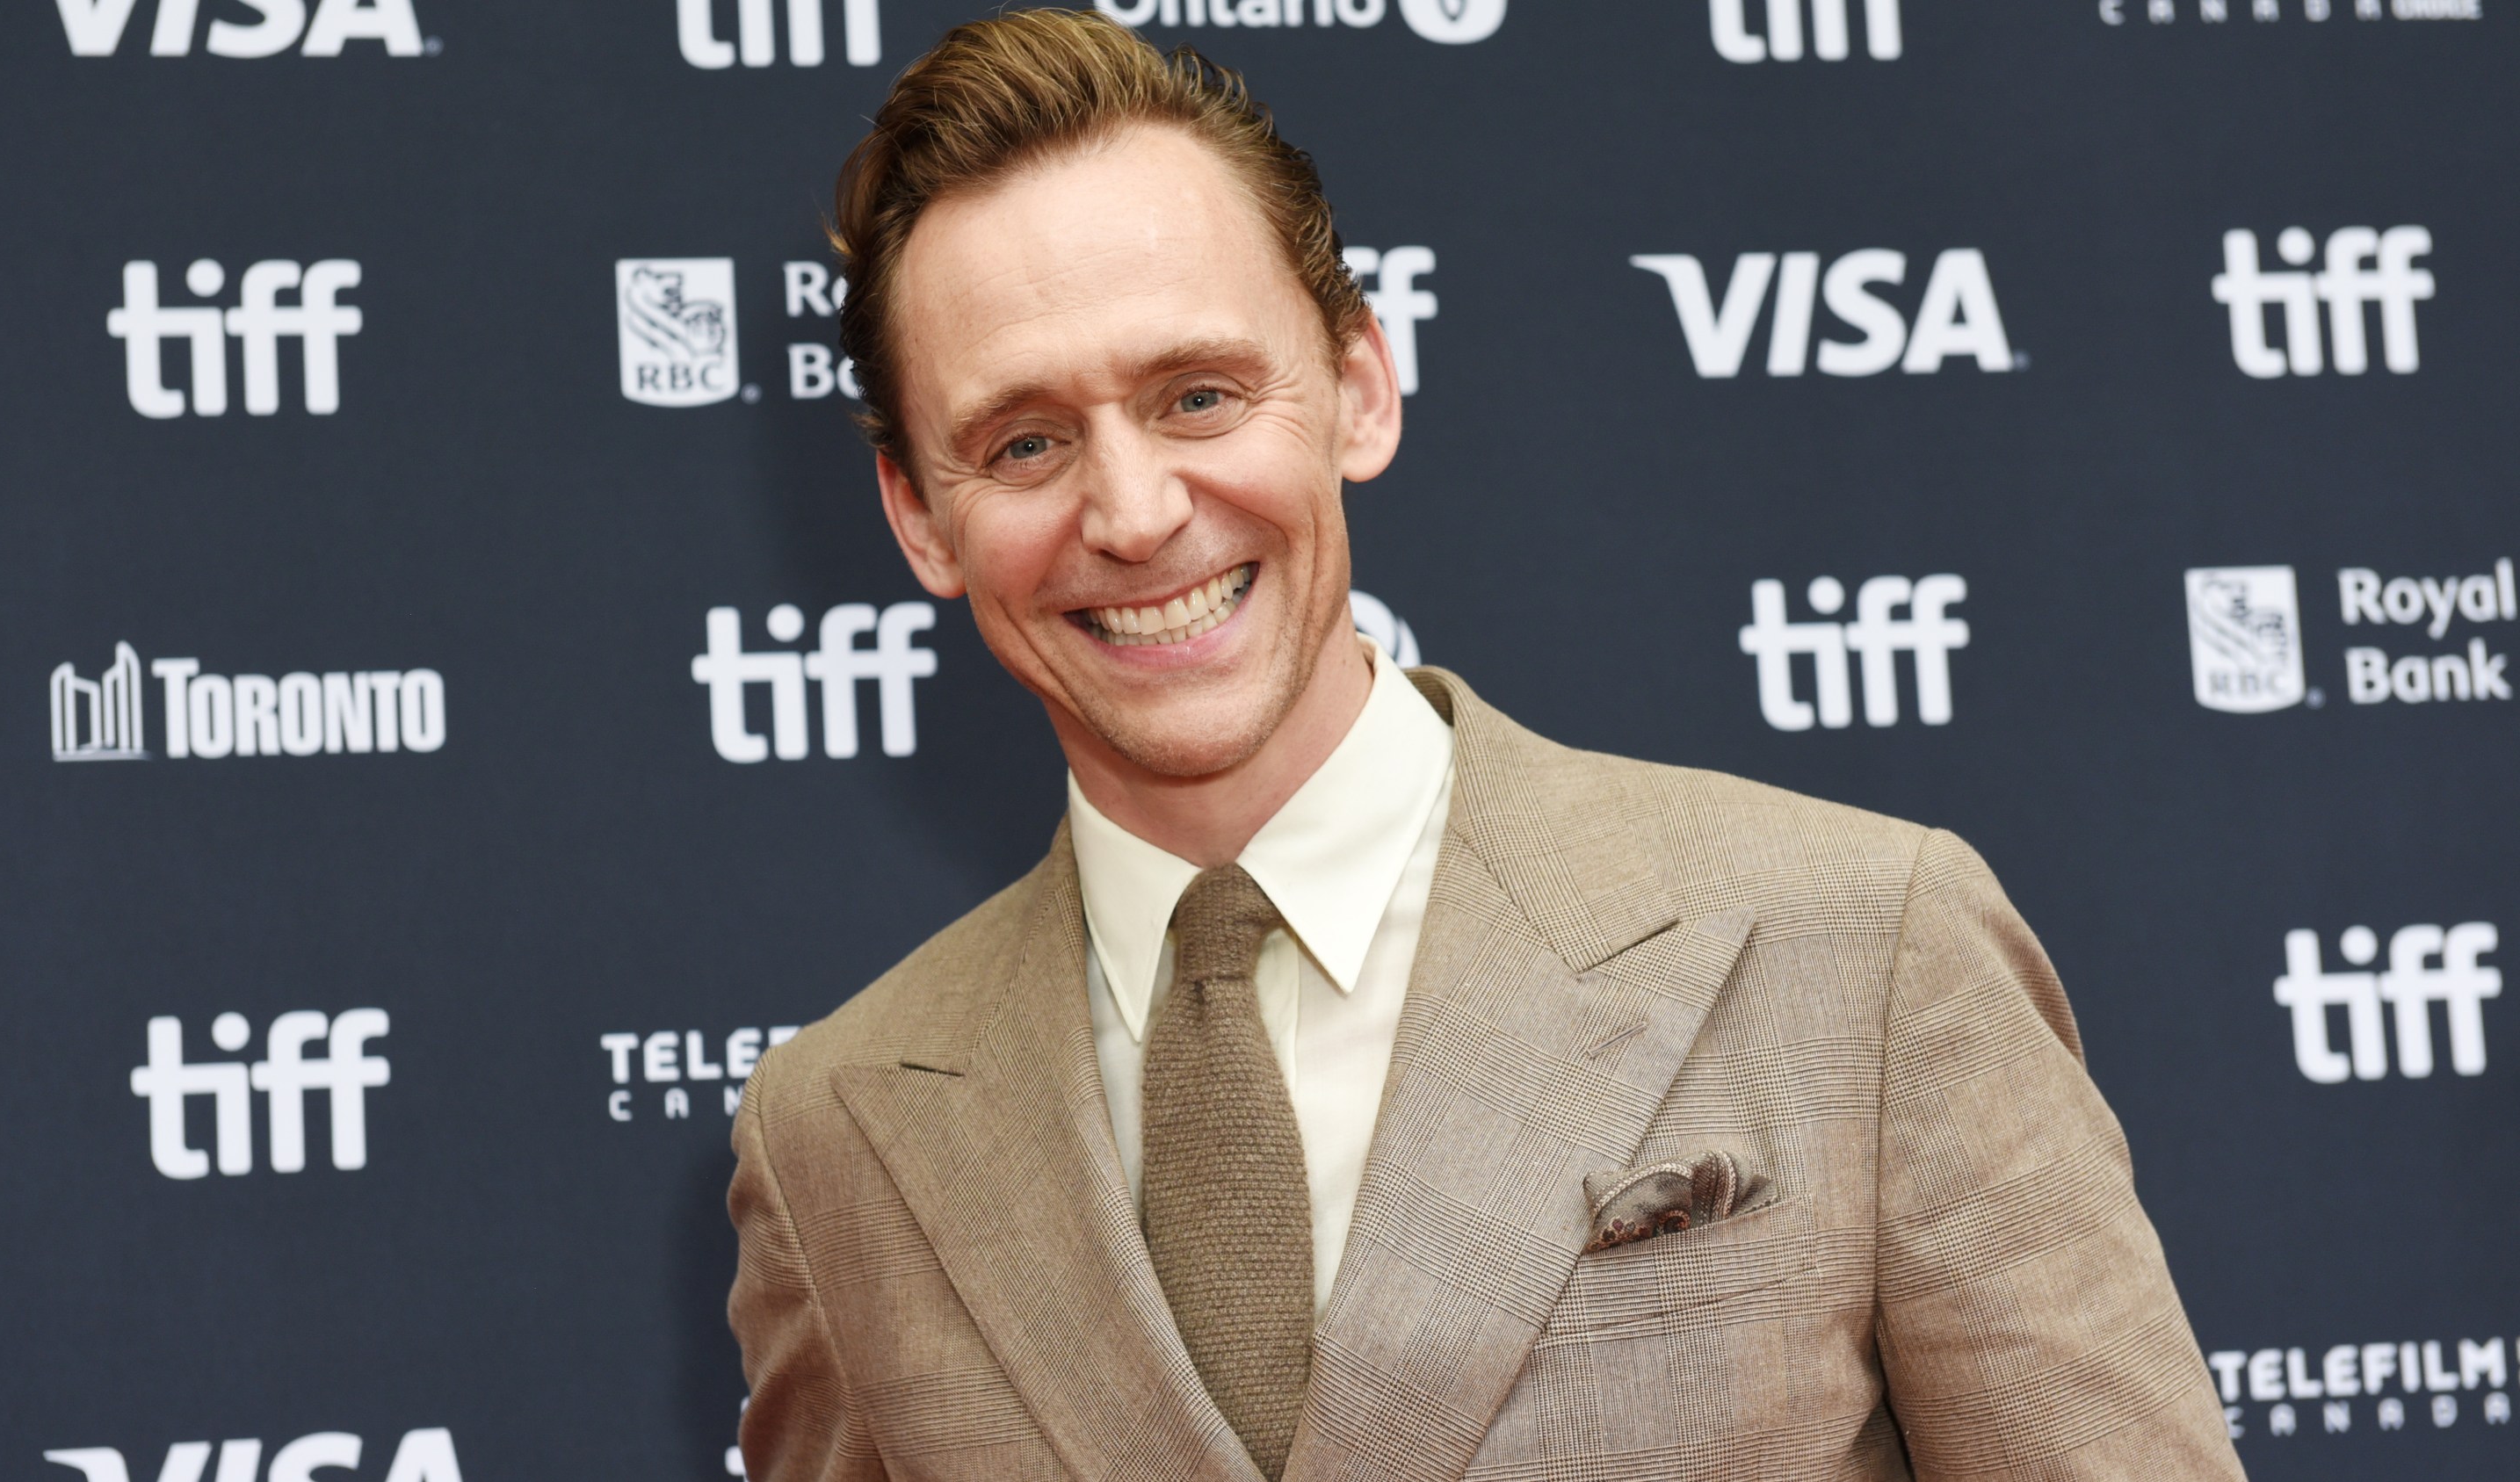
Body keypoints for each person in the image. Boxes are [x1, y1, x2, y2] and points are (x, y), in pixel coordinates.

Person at [726, 11, 2244, 1480]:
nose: (1131, 515)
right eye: (1025, 444)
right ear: (921, 516)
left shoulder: (1863, 947)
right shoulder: (833, 1139)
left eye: (1199, 396)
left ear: (1360, 389)